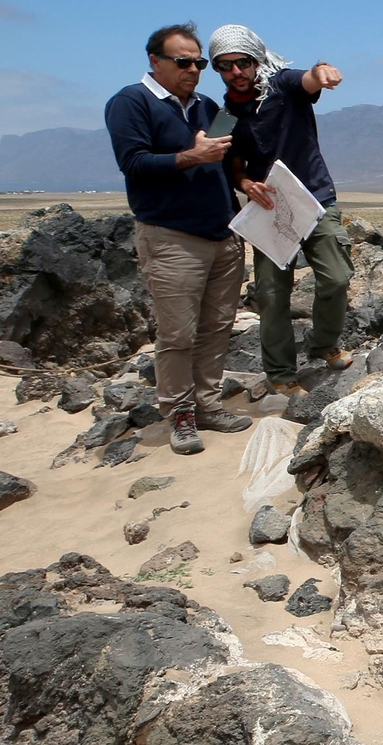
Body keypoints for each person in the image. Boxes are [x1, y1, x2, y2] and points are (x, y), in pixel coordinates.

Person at [104, 23, 251, 455]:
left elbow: (226, 162)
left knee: (217, 327)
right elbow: (134, 163)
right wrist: (192, 156)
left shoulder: (206, 106)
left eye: (199, 62)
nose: (193, 69)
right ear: (155, 61)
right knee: (177, 333)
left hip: (221, 233)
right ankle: (179, 413)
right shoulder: (132, 102)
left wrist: (245, 184)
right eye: (182, 61)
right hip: (170, 237)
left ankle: (207, 403)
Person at [207, 24, 354, 385]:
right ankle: (280, 372)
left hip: (315, 198)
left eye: (242, 62)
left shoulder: (284, 86)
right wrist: (243, 183)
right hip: (269, 209)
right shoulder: (224, 115)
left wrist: (322, 72)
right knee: (272, 294)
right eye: (224, 66)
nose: (236, 72)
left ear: (256, 59)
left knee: (337, 277)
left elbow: (310, 78)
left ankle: (323, 344)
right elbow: (228, 163)